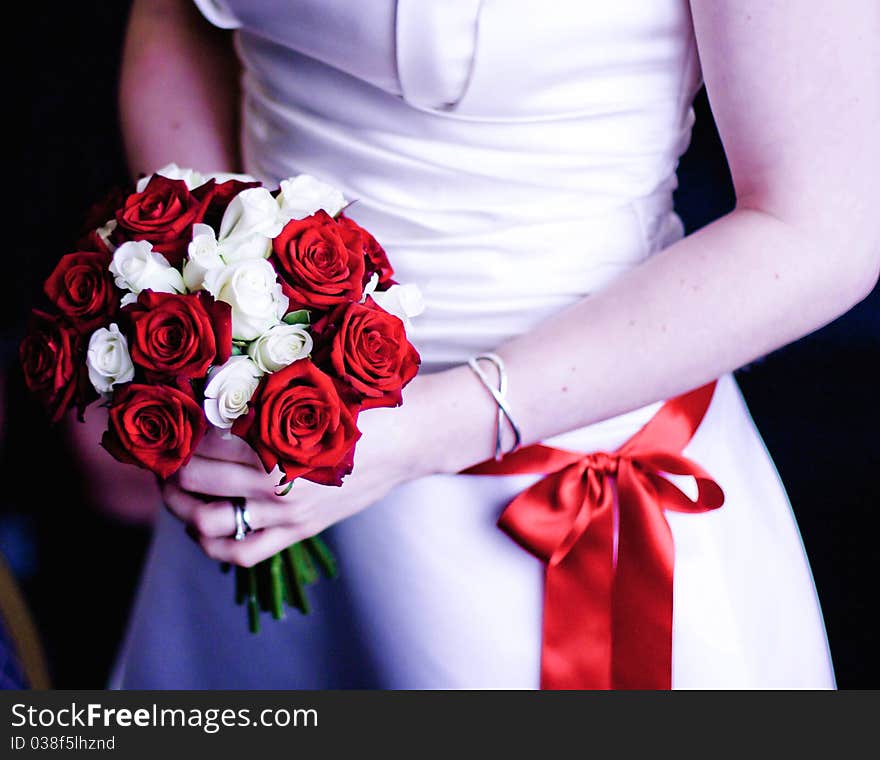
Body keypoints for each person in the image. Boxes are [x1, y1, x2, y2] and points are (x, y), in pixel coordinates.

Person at [108, 0, 878, 688]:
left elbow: (823, 229)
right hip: (263, 468)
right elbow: (177, 22)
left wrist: (414, 435)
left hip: (542, 491)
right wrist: (218, 324)